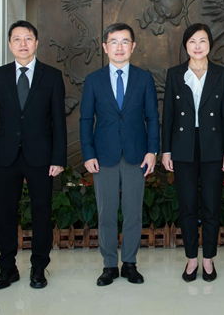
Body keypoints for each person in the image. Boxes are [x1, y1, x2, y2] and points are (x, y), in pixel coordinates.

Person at [0, 20, 67, 290]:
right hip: (5, 156)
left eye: (28, 38)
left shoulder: (51, 76)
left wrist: (58, 158)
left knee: (41, 212)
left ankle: (39, 268)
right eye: (17, 39)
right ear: (10, 44)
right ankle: (7, 269)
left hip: (41, 157)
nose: (22, 44)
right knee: (5, 213)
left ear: (36, 42)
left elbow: (58, 122)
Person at [80, 23, 159, 286]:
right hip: (103, 156)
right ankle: (109, 265)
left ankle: (130, 263)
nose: (119, 47)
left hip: (137, 155)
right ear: (105, 47)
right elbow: (84, 120)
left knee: (133, 211)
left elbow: (152, 117)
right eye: (114, 42)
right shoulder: (93, 80)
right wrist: (88, 153)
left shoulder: (144, 78)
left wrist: (152, 151)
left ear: (133, 46)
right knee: (106, 212)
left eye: (125, 42)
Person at [161, 23, 224, 282]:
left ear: (209, 44)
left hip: (213, 145)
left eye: (202, 41)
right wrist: (166, 150)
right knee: (188, 205)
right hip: (183, 146)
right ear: (186, 45)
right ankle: (192, 258)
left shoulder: (220, 74)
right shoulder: (175, 74)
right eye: (192, 41)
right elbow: (168, 115)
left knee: (212, 206)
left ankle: (209, 259)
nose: (197, 46)